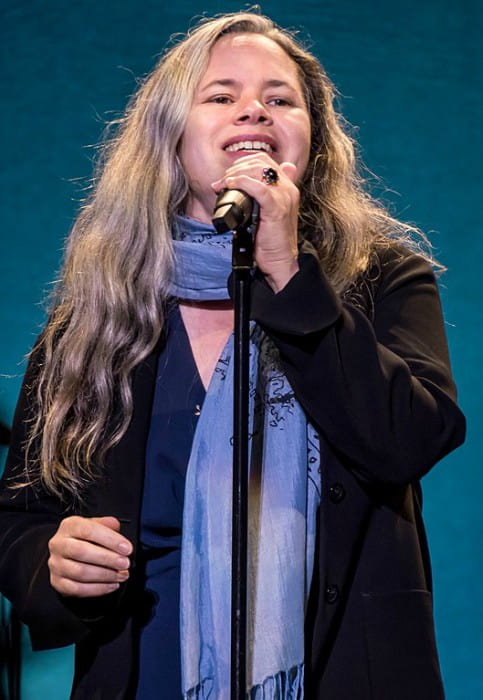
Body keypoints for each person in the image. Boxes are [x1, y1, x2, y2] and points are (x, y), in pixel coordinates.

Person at [0, 10, 465, 700]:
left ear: (315, 140)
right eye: (220, 96)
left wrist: (287, 273)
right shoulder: (94, 323)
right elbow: (21, 516)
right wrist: (52, 563)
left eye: (280, 99)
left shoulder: (383, 282)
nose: (253, 110)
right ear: (170, 136)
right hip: (147, 676)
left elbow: (407, 440)